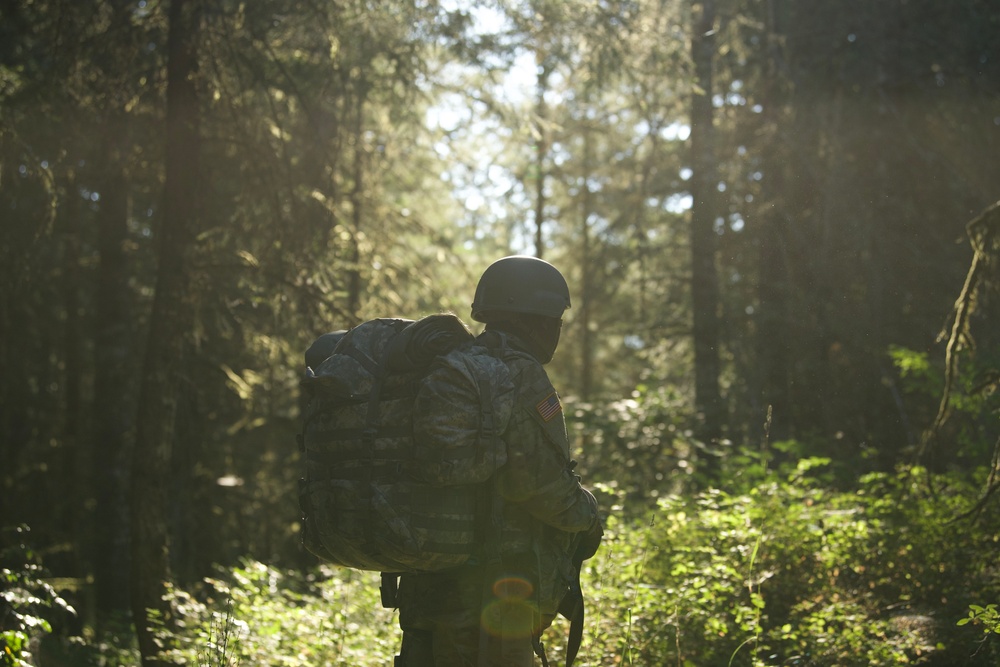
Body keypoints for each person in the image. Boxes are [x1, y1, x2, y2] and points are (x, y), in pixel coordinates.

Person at [395, 255, 603, 667]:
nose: (557, 330)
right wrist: (589, 513)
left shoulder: (456, 367)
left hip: (426, 592)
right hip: (493, 599)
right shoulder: (519, 375)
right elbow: (541, 485)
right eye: (556, 319)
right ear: (537, 319)